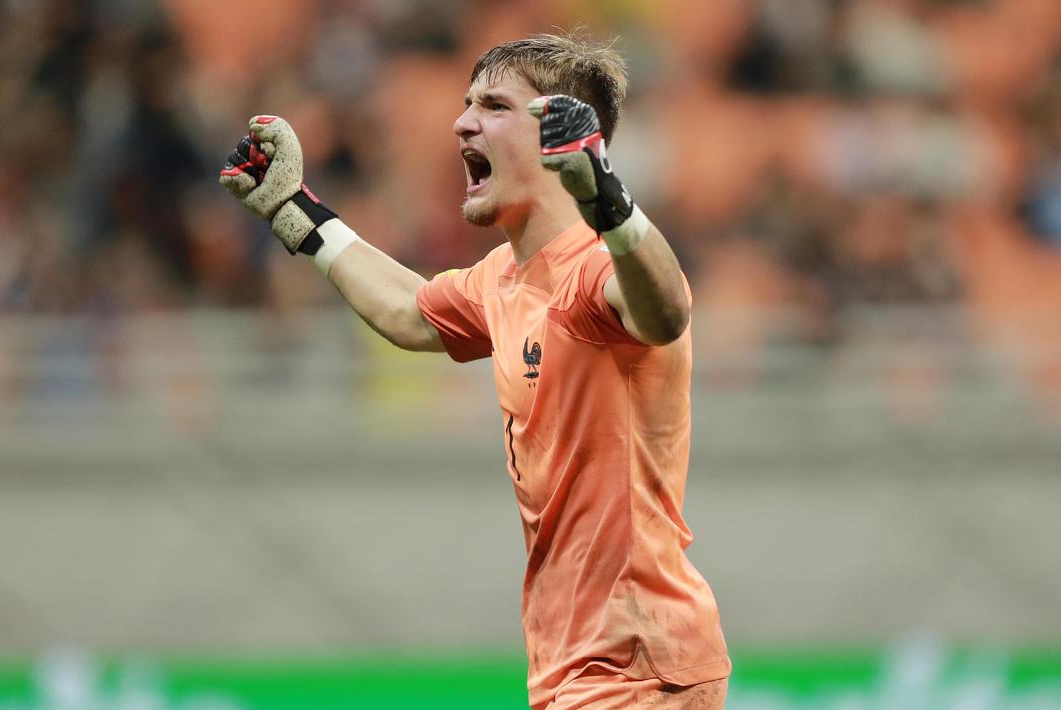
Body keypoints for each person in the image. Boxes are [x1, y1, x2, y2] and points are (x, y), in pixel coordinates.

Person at [219, 32, 730, 710]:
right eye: (464, 103)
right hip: (577, 665)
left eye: (491, 105)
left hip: (636, 664)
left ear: (555, 130)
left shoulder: (593, 267)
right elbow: (407, 311)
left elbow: (666, 311)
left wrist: (608, 196)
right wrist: (297, 213)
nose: (461, 121)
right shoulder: (504, 280)